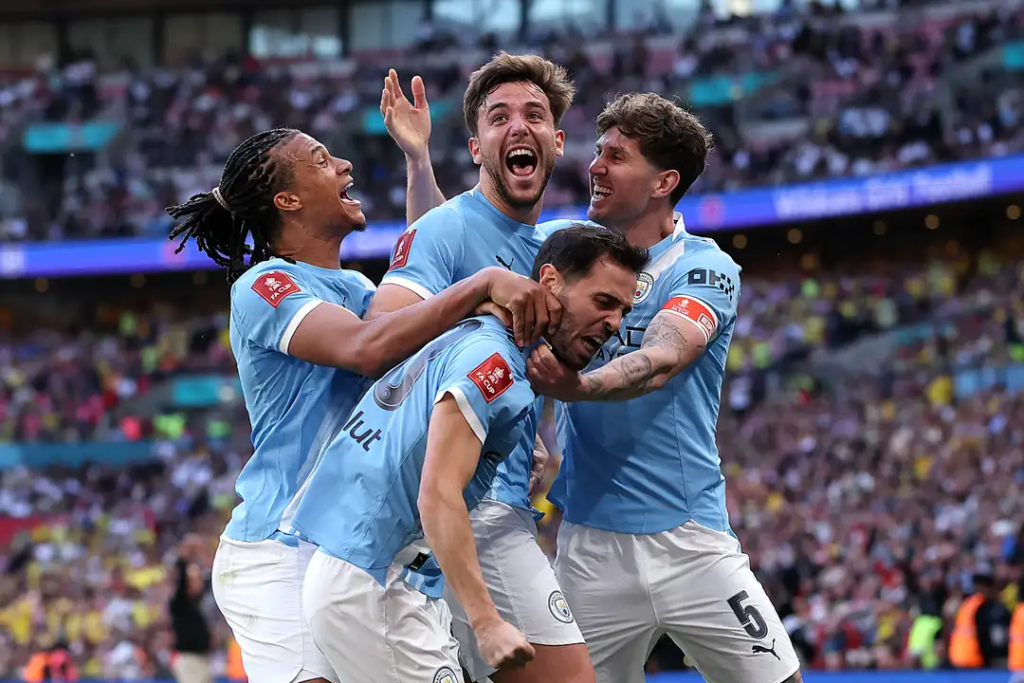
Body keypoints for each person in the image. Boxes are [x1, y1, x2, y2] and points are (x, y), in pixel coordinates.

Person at [390, 77, 803, 682]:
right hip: (587, 545)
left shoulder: (704, 268)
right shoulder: (571, 259)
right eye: (599, 150)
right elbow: (447, 254)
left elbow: (665, 356)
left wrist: (576, 388)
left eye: (616, 156)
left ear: (663, 183)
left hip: (688, 538)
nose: (596, 166)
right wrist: (419, 161)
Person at [165, 128, 560, 683]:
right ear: (288, 200)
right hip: (279, 550)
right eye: (324, 161)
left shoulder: (357, 289)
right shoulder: (265, 285)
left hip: (357, 547)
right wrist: (483, 284)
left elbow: (432, 265)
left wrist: (419, 161)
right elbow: (364, 349)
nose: (346, 165)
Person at [291, 224, 645, 683]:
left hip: (381, 574)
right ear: (551, 283)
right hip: (376, 582)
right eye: (603, 302)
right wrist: (487, 623)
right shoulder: (493, 364)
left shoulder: (476, 334)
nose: (615, 323)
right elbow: (437, 494)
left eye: (623, 310)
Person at [372, 54, 596, 683]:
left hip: (505, 509)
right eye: (499, 118)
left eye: (535, 116)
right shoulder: (444, 232)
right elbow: (385, 337)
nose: (519, 127)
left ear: (557, 141)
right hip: (472, 515)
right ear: (476, 146)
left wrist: (540, 441)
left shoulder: (556, 251)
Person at [168, 535, 212, 683]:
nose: (197, 582)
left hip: (201, 659)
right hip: (188, 660)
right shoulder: (179, 603)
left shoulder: (196, 603)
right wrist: (185, 553)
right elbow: (180, 577)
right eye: (193, 579)